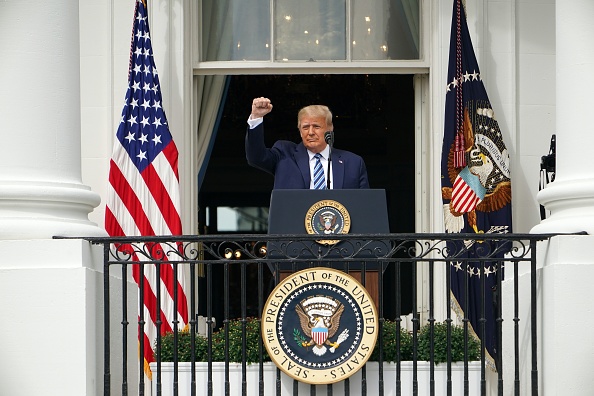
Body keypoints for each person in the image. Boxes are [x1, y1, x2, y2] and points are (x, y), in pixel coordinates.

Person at [245, 97, 370, 189]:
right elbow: (256, 158)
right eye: (305, 127)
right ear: (300, 131)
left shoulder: (353, 163)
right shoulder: (284, 153)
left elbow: (364, 205)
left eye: (316, 126)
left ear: (329, 129)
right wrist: (256, 117)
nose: (310, 132)